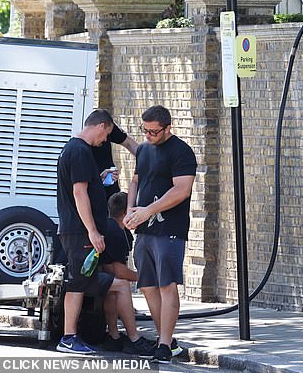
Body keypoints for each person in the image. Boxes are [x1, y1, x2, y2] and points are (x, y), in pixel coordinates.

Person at [124, 105, 197, 363]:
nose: (149, 136)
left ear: (168, 128)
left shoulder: (182, 152)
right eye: (145, 130)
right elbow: (135, 181)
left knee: (167, 285)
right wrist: (132, 209)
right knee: (147, 286)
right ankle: (166, 338)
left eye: (154, 131)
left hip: (170, 229)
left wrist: (148, 211)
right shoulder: (143, 150)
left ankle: (164, 344)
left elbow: (181, 190)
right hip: (144, 230)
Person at [55, 109, 129, 355]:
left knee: (80, 280)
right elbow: (78, 192)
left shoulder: (73, 149)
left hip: (76, 230)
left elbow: (83, 184)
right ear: (101, 126)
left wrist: (101, 178)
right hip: (80, 232)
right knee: (77, 282)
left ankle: (70, 336)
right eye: (107, 134)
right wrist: (93, 232)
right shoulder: (80, 151)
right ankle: (68, 337)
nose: (105, 140)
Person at [99, 192, 154, 356]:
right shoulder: (117, 233)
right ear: (126, 213)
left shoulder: (109, 225)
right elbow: (117, 271)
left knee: (113, 289)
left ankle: (114, 337)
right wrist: (145, 277)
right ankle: (134, 339)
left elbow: (110, 269)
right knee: (121, 285)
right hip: (87, 277)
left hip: (85, 273)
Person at [92, 123, 139, 199]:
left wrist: (147, 159)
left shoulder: (108, 125)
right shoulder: (78, 148)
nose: (105, 139)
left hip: (110, 189)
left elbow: (128, 142)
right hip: (93, 193)